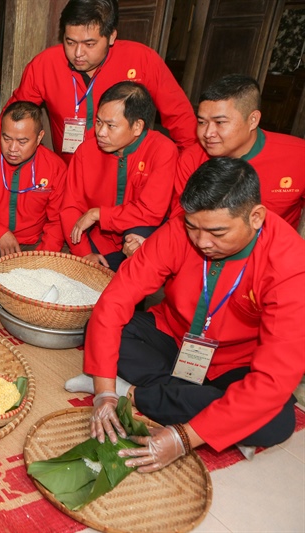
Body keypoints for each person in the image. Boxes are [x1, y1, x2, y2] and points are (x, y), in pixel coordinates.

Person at [66, 158, 305, 472]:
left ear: (256, 217)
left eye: (217, 232)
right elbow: (116, 300)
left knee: (277, 420)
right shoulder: (178, 228)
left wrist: (183, 437)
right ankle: (213, 409)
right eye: (193, 227)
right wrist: (103, 392)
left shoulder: (290, 265)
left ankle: (133, 393)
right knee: (102, 328)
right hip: (173, 336)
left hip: (235, 362)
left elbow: (273, 378)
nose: (202, 242)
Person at [0, 0, 195, 165]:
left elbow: (180, 116)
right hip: (71, 171)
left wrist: (189, 167)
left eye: (89, 44)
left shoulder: (142, 60)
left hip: (128, 171)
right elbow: (15, 112)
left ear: (111, 36)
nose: (78, 53)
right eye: (70, 42)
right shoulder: (45, 64)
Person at [60, 81, 177, 271]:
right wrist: (84, 253)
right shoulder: (86, 151)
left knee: (138, 242)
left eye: (111, 125)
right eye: (99, 122)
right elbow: (70, 207)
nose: (101, 132)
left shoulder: (162, 150)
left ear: (137, 126)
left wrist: (99, 214)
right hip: (99, 239)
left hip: (139, 237)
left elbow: (151, 212)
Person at [168, 74, 305, 226]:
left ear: (253, 120)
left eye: (220, 122)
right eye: (201, 122)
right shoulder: (191, 159)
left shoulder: (299, 155)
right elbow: (180, 220)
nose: (207, 133)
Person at [0, 101, 67, 263]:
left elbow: (57, 220)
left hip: (35, 242)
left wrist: (43, 257)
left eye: (22, 142)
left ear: (39, 137)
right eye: (6, 138)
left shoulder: (55, 167)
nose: (12, 148)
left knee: (65, 253)